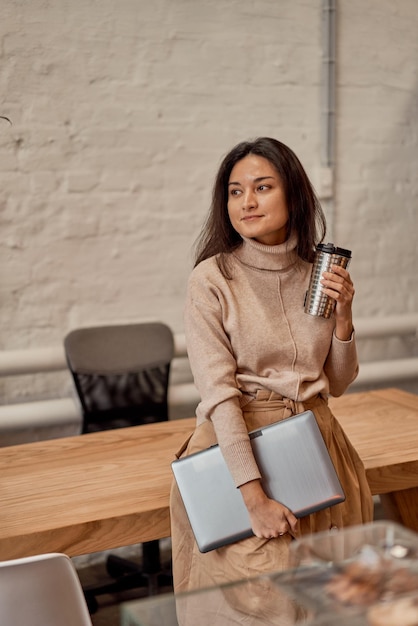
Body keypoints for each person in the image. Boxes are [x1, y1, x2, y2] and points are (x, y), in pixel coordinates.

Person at [170, 137, 373, 622]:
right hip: (241, 453)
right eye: (236, 191)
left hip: (319, 447)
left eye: (262, 187)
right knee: (259, 604)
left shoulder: (316, 274)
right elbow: (220, 397)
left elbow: (337, 383)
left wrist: (344, 319)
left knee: (327, 600)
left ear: (294, 196)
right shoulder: (212, 279)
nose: (248, 202)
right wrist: (253, 496)